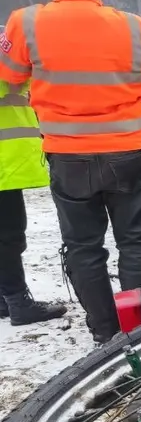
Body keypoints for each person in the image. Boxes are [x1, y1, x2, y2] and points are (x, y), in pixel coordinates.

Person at [0, 0, 141, 344]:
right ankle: (138, 331)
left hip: (67, 155)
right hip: (127, 151)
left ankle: (104, 331)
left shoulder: (25, 23)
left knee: (83, 246)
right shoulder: (132, 26)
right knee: (136, 240)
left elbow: (10, 76)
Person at [0, 80, 67, 326]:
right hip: (4, 162)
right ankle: (18, 302)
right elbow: (18, 74)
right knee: (9, 235)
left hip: (6, 161)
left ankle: (6, 298)